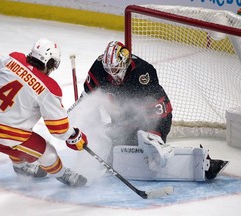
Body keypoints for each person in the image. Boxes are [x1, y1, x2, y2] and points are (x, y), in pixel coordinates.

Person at [80, 41, 228, 181]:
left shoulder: (143, 72)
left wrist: (153, 136)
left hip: (155, 118)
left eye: (115, 70)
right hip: (126, 121)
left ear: (124, 63)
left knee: (151, 154)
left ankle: (169, 153)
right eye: (109, 70)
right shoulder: (99, 68)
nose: (112, 75)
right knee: (113, 152)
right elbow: (87, 100)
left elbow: (156, 110)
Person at [0, 38, 88, 187]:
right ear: (49, 63)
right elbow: (59, 129)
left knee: (21, 128)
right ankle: (63, 175)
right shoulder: (49, 88)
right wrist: (74, 136)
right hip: (2, 136)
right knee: (48, 152)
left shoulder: (13, 58)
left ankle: (20, 166)